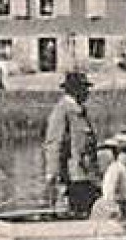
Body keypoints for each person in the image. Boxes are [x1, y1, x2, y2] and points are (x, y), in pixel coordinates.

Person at [43, 71, 100, 216]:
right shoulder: (62, 111)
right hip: (73, 175)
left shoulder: (79, 111)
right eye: (84, 88)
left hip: (86, 173)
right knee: (76, 211)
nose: (88, 92)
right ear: (76, 90)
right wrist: (53, 173)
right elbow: (54, 143)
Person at [89, 134, 126, 220]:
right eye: (124, 151)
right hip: (107, 209)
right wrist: (116, 209)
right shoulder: (114, 169)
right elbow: (108, 194)